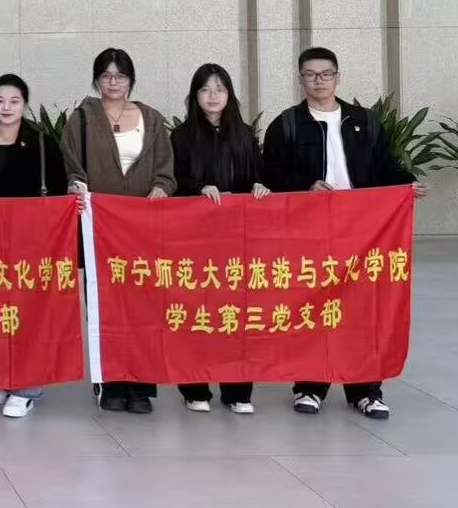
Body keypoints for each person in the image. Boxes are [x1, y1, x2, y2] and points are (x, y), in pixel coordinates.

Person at [262, 46, 421, 420]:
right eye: (310, 75)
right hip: (310, 230)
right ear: (300, 79)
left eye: (326, 74)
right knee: (313, 306)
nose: (318, 81)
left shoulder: (364, 121)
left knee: (363, 310)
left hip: (362, 230)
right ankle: (310, 386)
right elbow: (270, 173)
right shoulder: (286, 124)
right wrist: (306, 185)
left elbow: (385, 165)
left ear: (337, 77)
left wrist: (407, 184)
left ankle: (365, 390)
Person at [61, 47, 175, 415]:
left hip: (142, 229)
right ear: (96, 80)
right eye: (106, 76)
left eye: (120, 76)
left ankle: (141, 385)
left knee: (144, 306)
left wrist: (162, 186)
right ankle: (109, 382)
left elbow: (165, 169)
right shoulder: (81, 119)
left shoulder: (151, 119)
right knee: (104, 305)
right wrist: (75, 186)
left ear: (131, 80)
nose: (113, 82)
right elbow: (72, 167)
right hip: (100, 231)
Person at [0, 74, 68, 418]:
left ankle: (27, 384)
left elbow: (59, 192)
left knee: (29, 313)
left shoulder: (41, 143)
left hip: (32, 244)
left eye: (14, 101)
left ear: (24, 104)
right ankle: (3, 377)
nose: (6, 107)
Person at [170, 63, 269, 416]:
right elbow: (173, 180)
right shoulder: (181, 137)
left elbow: (259, 173)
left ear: (229, 95)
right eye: (205, 89)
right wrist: (199, 188)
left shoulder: (244, 134)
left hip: (238, 239)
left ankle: (238, 389)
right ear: (194, 96)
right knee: (197, 312)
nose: (212, 96)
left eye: (220, 89)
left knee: (237, 314)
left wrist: (260, 185)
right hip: (196, 239)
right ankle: (195, 387)